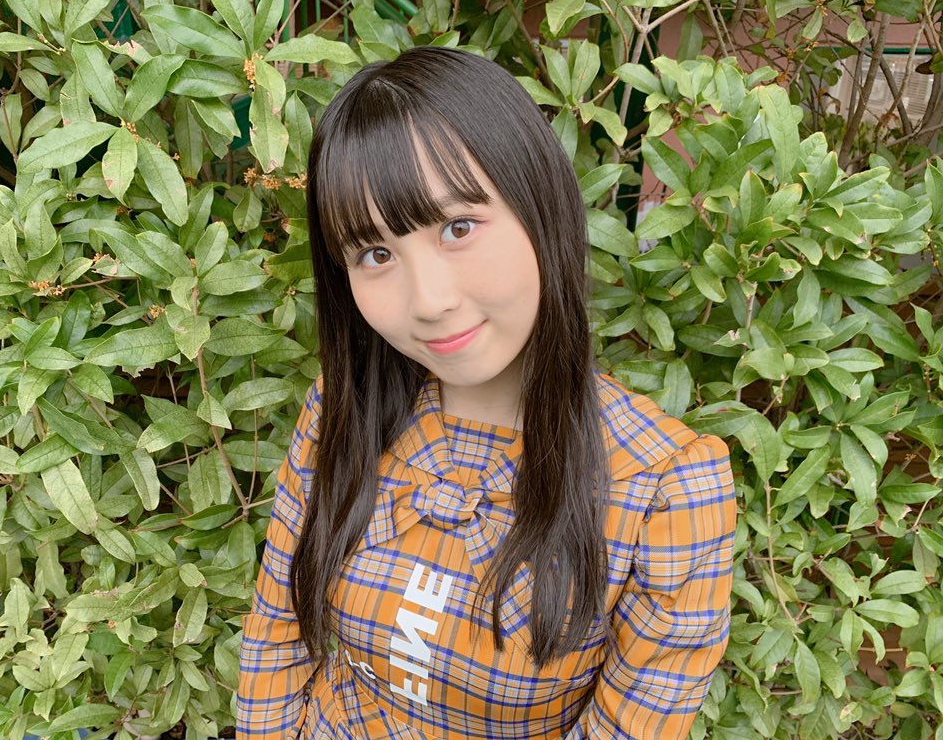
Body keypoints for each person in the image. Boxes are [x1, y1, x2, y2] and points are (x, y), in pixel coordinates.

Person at [237, 46, 736, 740]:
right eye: (375, 254)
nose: (429, 301)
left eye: (458, 228)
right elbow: (277, 631)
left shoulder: (664, 489)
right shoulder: (342, 409)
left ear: (541, 207)